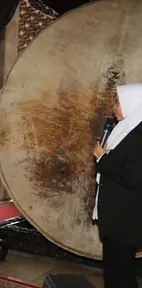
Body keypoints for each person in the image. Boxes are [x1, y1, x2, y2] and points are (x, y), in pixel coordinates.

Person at [93, 83, 142, 288]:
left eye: (118, 101)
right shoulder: (126, 128)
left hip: (125, 220)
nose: (114, 106)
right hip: (116, 219)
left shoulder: (139, 134)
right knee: (114, 274)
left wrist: (102, 158)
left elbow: (133, 177)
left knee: (121, 276)